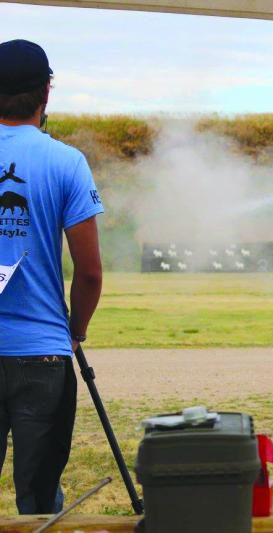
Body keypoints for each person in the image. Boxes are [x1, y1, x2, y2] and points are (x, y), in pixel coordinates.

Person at [0, 39, 104, 514]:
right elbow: (89, 273)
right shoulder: (67, 162)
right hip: (43, 353)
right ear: (47, 92)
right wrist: (76, 332)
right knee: (39, 505)